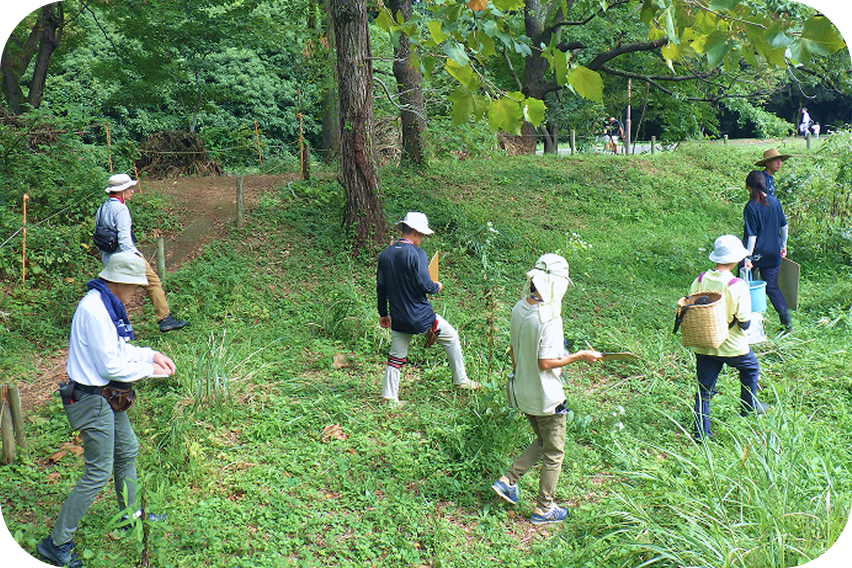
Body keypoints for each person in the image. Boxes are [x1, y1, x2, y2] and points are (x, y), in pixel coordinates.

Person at [37, 252, 177, 568]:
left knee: (127, 450)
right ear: (118, 282)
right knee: (98, 471)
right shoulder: (94, 310)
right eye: (134, 286)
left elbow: (118, 349)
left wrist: (150, 355)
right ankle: (56, 543)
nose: (136, 292)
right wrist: (150, 371)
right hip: (92, 399)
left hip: (106, 395)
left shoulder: (106, 305)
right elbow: (110, 365)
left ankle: (130, 516)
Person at [491, 254, 601, 524]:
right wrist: (580, 356)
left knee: (543, 441)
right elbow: (546, 362)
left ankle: (508, 480)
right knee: (554, 452)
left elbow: (515, 351)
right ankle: (544, 508)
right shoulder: (549, 317)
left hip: (523, 390)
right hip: (546, 395)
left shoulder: (519, 307)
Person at [376, 212, 479, 405]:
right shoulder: (417, 254)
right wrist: (436, 286)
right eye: (422, 234)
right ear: (415, 232)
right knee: (451, 337)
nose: (422, 239)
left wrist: (383, 313)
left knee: (395, 357)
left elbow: (381, 287)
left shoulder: (386, 255)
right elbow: (424, 284)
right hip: (421, 316)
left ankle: (389, 398)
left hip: (399, 316)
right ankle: (461, 381)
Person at [688, 235, 768, 440]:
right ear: (735, 259)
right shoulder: (737, 285)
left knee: (704, 389)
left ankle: (701, 433)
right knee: (750, 368)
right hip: (732, 346)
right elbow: (745, 323)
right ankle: (748, 408)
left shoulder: (699, 280)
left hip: (704, 345)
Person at [96, 173, 187, 332]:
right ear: (121, 191)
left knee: (114, 292)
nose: (132, 191)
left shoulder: (102, 208)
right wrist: (136, 257)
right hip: (125, 255)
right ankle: (165, 318)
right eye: (129, 188)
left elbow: (99, 236)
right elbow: (124, 239)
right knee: (153, 282)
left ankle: (107, 325)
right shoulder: (121, 209)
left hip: (109, 257)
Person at [743, 170, 792, 333]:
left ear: (749, 187)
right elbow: (784, 227)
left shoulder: (750, 207)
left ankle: (746, 323)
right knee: (772, 287)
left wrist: (748, 257)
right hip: (773, 252)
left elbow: (752, 236)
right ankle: (787, 324)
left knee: (744, 285)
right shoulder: (775, 202)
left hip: (756, 253)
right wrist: (783, 246)